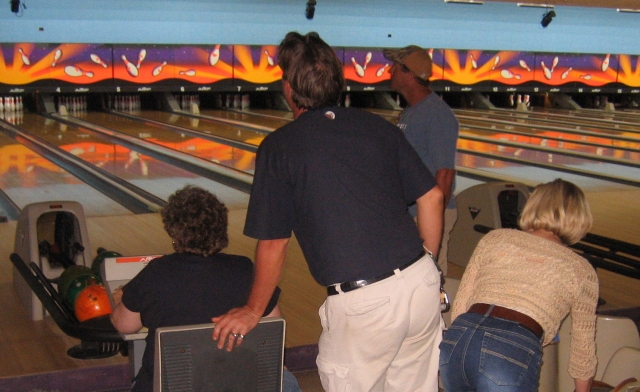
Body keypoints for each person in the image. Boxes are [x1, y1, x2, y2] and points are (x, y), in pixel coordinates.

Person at [212, 31, 445, 392]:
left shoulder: (280, 147)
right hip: (422, 285)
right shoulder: (378, 128)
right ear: (338, 81)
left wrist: (253, 310)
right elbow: (432, 198)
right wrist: (428, 259)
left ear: (288, 86)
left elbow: (274, 243)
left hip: (364, 305)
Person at [110, 186, 300, 392]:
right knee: (285, 378)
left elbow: (124, 325)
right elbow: (272, 331)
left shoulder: (157, 272)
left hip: (168, 387)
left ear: (174, 232)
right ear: (221, 229)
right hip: (237, 386)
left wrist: (120, 298)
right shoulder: (244, 268)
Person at [439, 179, 598, 392]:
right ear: (579, 218)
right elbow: (582, 348)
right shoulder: (582, 270)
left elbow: (462, 303)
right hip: (509, 351)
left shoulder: (495, 239)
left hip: (458, 342)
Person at [384, 45, 459, 276]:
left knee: (430, 279)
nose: (389, 71)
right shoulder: (412, 110)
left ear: (409, 74)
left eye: (395, 67)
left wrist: (434, 221)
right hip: (413, 211)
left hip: (429, 212)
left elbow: (445, 173)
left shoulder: (436, 113)